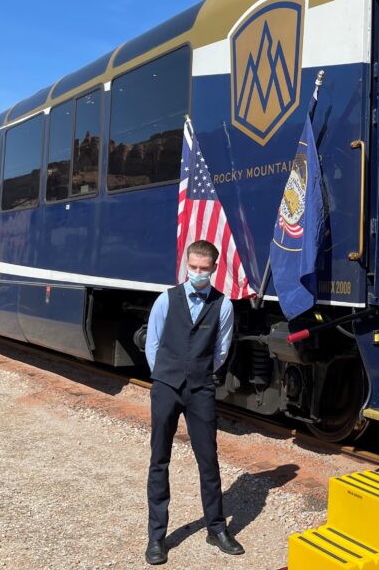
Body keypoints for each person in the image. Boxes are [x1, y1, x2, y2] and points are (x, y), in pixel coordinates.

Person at [144, 240, 244, 565]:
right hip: (166, 387)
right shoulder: (166, 300)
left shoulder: (223, 306)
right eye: (193, 267)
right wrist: (162, 377)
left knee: (209, 461)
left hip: (200, 390)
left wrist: (198, 373)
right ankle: (157, 537)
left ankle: (216, 529)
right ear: (186, 265)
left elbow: (221, 350)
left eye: (204, 269)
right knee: (159, 460)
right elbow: (153, 342)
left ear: (214, 269)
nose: (198, 273)